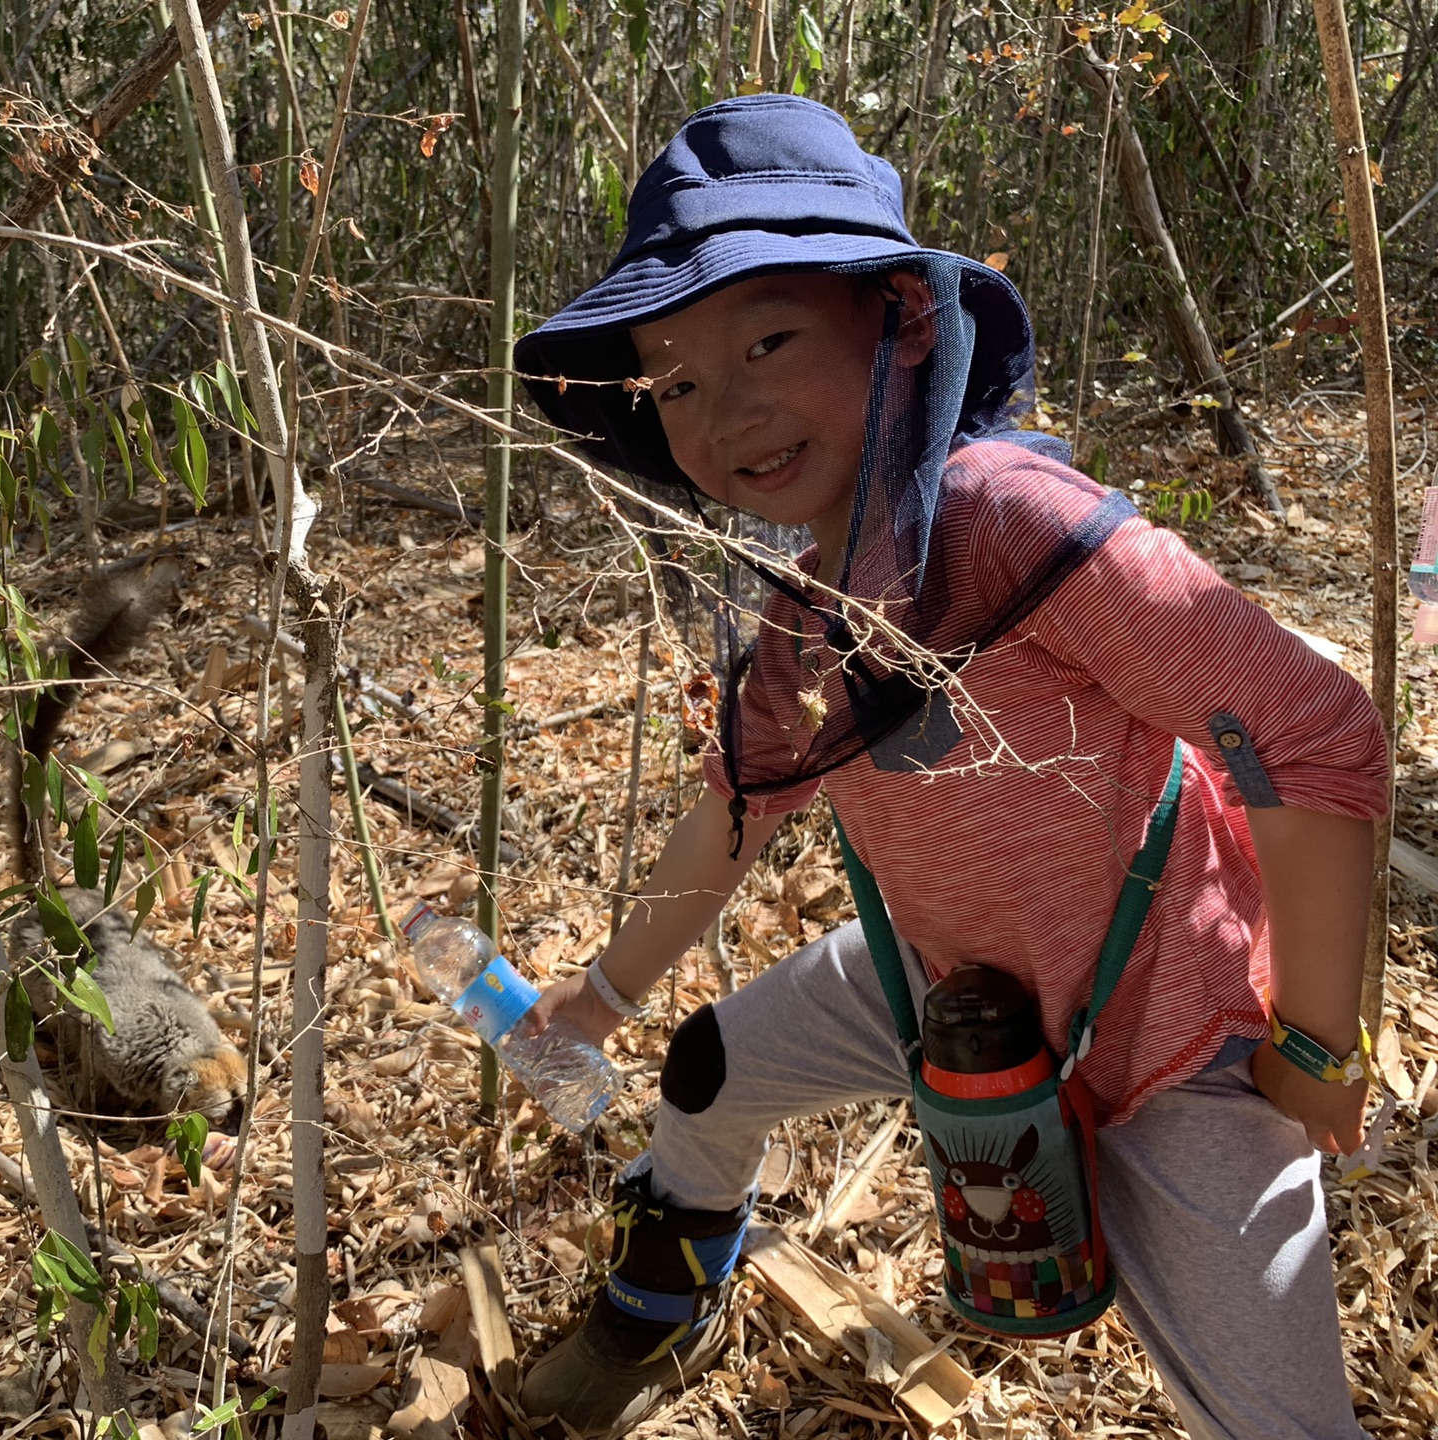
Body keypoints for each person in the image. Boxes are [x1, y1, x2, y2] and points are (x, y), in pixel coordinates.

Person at [509, 94, 1388, 1440]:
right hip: (947, 984)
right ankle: (667, 1289)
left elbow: (1310, 727)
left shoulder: (1008, 518)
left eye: (769, 339)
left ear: (902, 324)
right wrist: (599, 998)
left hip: (1174, 1027)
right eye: (676, 382)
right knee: (707, 1069)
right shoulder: (807, 613)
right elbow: (735, 820)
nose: (726, 408)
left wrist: (1321, 1046)